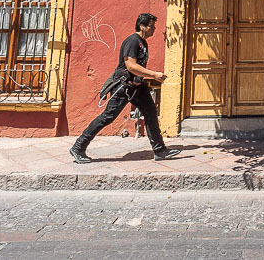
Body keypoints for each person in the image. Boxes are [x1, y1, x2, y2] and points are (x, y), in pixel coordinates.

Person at [70, 12, 181, 163]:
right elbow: (131, 66)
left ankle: (160, 150)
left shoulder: (143, 42)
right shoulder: (132, 41)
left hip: (138, 87)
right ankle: (78, 147)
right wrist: (154, 74)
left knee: (151, 114)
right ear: (142, 26)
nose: (154, 29)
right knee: (107, 117)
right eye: (151, 26)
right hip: (124, 86)